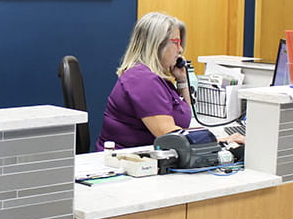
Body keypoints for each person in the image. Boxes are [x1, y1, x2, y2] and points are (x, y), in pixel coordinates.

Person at [96, 12, 244, 150]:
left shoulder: (158, 78)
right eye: (176, 42)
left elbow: (185, 116)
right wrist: (223, 141)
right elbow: (171, 137)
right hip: (125, 165)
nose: (180, 50)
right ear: (157, 44)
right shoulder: (142, 80)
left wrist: (182, 80)